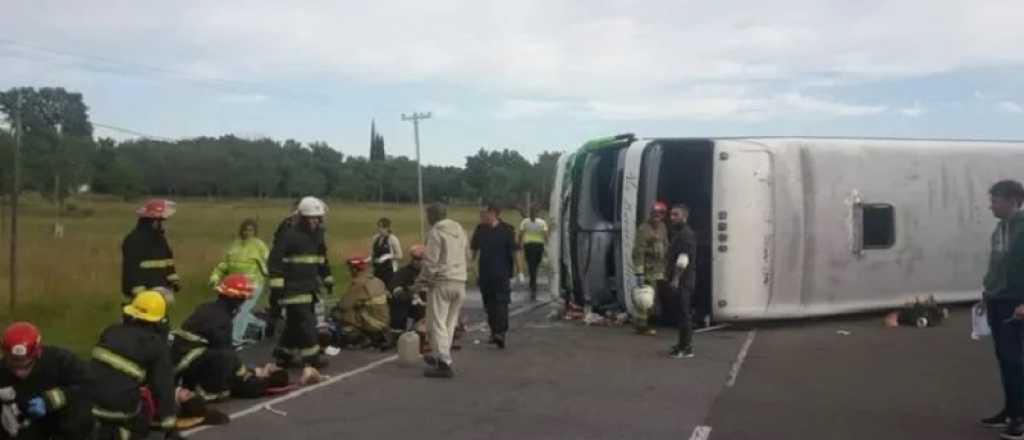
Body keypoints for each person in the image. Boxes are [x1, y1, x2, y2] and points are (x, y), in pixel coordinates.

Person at [172, 274, 289, 404]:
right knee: (227, 361)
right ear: (236, 299)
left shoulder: (207, 307)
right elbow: (227, 355)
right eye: (243, 299)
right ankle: (210, 392)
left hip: (180, 364)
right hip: (190, 368)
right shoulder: (222, 319)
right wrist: (251, 378)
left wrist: (252, 370)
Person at [88, 291, 178, 439]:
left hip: (89, 404)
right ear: (158, 321)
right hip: (119, 410)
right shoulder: (156, 345)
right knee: (144, 410)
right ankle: (123, 433)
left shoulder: (111, 331)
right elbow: (163, 386)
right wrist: (170, 427)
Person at [980, 179, 1024, 439]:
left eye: (995, 201)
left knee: (1014, 360)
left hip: (1016, 303)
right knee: (1005, 359)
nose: (991, 206)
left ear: (1012, 201)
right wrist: (987, 291)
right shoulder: (999, 230)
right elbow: (996, 265)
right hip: (998, 300)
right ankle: (1011, 410)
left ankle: (1020, 419)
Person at [267, 196, 333, 370]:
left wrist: (327, 277)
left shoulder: (317, 236)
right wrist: (277, 287)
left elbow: (321, 258)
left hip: (309, 287)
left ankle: (283, 355)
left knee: (295, 324)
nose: (315, 222)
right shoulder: (288, 235)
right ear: (303, 218)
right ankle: (312, 358)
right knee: (306, 323)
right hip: (292, 289)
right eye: (312, 218)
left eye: (318, 218)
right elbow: (275, 262)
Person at [0, 322, 94, 440]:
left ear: (37, 354)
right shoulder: (2, 372)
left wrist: (50, 400)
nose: (19, 373)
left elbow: (88, 384)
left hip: (67, 428)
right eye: (14, 366)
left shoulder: (61, 361)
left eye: (26, 366)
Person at [418, 203, 470, 379]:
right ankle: (440, 355)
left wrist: (420, 282)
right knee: (449, 323)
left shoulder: (436, 232)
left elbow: (431, 261)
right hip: (460, 281)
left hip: (442, 282)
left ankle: (444, 362)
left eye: (428, 215)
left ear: (433, 216)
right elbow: (467, 255)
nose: (426, 218)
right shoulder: (460, 230)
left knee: (437, 322)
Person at [208, 218, 270, 346]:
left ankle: (235, 340)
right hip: (235, 285)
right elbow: (224, 264)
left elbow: (270, 261)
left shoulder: (259, 245)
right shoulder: (235, 245)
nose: (248, 232)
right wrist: (215, 277)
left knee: (241, 310)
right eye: (245, 230)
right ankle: (260, 325)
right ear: (241, 231)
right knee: (234, 311)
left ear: (255, 232)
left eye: (251, 230)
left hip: (253, 284)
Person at [471, 205, 517, 349]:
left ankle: (501, 333)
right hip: (485, 273)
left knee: (501, 303)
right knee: (489, 304)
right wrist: (471, 266)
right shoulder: (480, 229)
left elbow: (514, 251)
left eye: (484, 214)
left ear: (493, 213)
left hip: (502, 273)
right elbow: (474, 249)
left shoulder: (507, 229)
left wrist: (519, 270)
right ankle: (493, 331)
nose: (481, 217)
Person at [121, 199, 179, 304]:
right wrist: (139, 292)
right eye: (160, 221)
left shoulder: (160, 239)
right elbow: (131, 268)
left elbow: (168, 260)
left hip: (161, 288)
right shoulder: (134, 240)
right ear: (153, 222)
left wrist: (173, 280)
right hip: (143, 292)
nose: (162, 225)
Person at [333, 257, 392, 350]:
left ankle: (360, 338)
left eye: (350, 269)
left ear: (355, 269)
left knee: (340, 314)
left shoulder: (359, 283)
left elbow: (344, 305)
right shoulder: (377, 280)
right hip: (384, 322)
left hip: (374, 324)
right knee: (359, 306)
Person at [632, 201, 669, 336]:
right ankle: (641, 326)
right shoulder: (643, 229)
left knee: (656, 297)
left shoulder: (663, 227)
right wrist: (639, 272)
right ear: (651, 213)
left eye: (660, 213)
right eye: (655, 213)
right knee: (644, 298)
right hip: (647, 269)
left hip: (660, 268)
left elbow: (666, 245)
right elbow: (638, 252)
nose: (657, 215)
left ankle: (652, 321)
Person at [666, 204, 697, 359]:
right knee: (681, 313)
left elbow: (683, 259)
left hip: (683, 280)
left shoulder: (685, 234)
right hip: (682, 279)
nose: (672, 217)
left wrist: (676, 279)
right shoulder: (680, 233)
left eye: (675, 215)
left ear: (684, 217)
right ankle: (682, 345)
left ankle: (687, 348)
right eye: (671, 214)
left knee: (684, 314)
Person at [387, 244, 428, 335]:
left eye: (420, 259)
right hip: (413, 305)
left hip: (430, 304)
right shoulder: (404, 272)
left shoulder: (432, 273)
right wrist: (410, 296)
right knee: (398, 302)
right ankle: (397, 331)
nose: (417, 261)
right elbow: (394, 287)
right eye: (415, 259)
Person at [518, 208, 549, 301]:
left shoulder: (525, 222)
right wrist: (547, 244)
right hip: (539, 245)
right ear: (537, 214)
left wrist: (519, 243)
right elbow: (546, 234)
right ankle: (533, 281)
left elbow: (521, 233)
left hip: (528, 245)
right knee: (536, 264)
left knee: (530, 264)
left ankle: (533, 282)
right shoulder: (542, 222)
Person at [370, 218, 403, 288]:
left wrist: (388, 256)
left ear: (387, 228)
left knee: (389, 291)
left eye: (381, 227)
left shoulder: (392, 239)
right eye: (378, 226)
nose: (379, 229)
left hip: (389, 271)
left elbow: (400, 255)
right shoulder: (375, 238)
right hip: (377, 270)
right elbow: (373, 254)